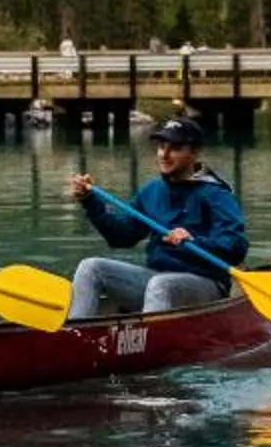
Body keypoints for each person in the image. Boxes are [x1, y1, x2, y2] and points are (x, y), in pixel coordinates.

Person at [65, 114, 248, 321]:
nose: (164, 154)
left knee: (161, 285)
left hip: (206, 285)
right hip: (157, 280)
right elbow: (120, 237)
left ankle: (149, 342)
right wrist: (90, 201)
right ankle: (74, 333)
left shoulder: (216, 194)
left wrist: (195, 241)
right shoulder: (151, 191)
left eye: (175, 148)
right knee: (91, 267)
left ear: (195, 153)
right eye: (161, 146)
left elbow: (236, 247)